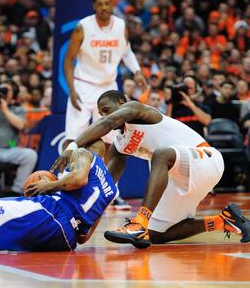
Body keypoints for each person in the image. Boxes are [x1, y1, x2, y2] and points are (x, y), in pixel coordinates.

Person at [52, 90, 250, 248]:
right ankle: (223, 221)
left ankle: (139, 221)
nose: (104, 115)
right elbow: (107, 187)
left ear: (121, 103)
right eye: (101, 112)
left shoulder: (137, 109)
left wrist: (72, 146)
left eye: (106, 109)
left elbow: (109, 122)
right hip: (182, 176)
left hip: (207, 160)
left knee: (161, 154)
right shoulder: (119, 145)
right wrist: (87, 227)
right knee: (157, 235)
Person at [0, 140, 118, 253]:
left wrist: (49, 185)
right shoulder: (111, 188)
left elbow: (79, 179)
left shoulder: (84, 153)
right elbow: (84, 237)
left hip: (52, 211)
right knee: (11, 227)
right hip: (66, 239)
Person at [64, 0, 146, 209]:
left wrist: (136, 71)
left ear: (111, 5)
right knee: (73, 137)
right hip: (83, 85)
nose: (103, 7)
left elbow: (126, 51)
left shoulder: (120, 26)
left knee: (112, 142)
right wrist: (71, 90)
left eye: (106, 3)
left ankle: (110, 189)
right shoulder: (83, 26)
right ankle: (68, 183)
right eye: (99, 4)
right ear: (94, 6)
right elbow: (68, 59)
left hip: (108, 87)